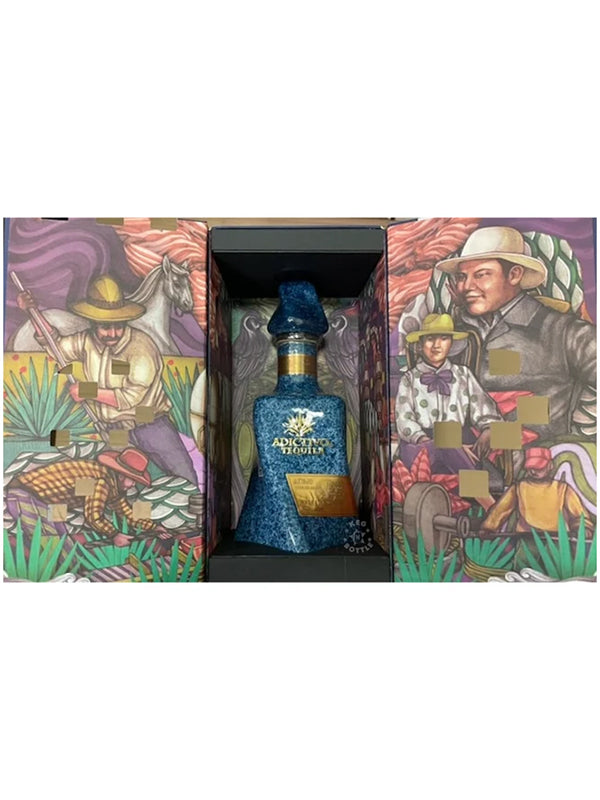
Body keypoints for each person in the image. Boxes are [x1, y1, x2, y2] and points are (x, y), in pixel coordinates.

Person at [17, 275, 198, 486]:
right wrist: (32, 312)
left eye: (118, 326)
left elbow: (131, 397)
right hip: (115, 430)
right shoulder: (87, 341)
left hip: (151, 425)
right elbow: (55, 346)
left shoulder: (142, 347)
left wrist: (87, 391)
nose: (112, 333)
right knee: (120, 484)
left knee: (184, 478)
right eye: (105, 327)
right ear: (94, 322)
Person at [436, 226, 596, 442]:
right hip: (463, 455)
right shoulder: (457, 331)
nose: (466, 286)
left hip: (538, 456)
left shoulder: (563, 331)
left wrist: (581, 435)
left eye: (481, 275)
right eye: (462, 277)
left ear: (514, 275)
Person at [396, 313, 502, 473]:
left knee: (465, 459)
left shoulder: (463, 375)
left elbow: (484, 407)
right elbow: (404, 419)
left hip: (460, 439)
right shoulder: (409, 379)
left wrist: (488, 429)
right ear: (420, 345)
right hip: (421, 443)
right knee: (445, 448)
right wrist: (430, 442)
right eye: (430, 339)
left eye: (444, 338)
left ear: (451, 343)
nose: (436, 345)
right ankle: (479, 486)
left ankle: (476, 485)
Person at [6, 448, 170, 546]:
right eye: (132, 480)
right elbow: (93, 516)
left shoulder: (111, 484)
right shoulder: (101, 481)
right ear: (121, 475)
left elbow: (125, 512)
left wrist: (152, 527)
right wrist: (115, 535)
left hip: (42, 501)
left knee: (62, 543)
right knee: (52, 547)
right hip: (24, 495)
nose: (133, 485)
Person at [481, 447, 594, 536]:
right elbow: (500, 511)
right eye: (531, 468)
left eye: (539, 467)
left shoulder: (562, 489)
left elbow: (579, 513)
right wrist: (488, 528)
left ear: (550, 466)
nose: (534, 472)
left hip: (558, 540)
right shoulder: (519, 488)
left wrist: (584, 528)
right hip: (525, 538)